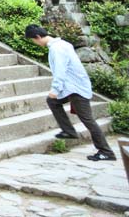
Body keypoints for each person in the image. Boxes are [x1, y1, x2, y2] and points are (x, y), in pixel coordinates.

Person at [24, 24, 115, 161]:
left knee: (88, 120)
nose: (35, 43)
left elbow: (60, 71)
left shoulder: (57, 49)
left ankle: (106, 151)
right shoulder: (62, 44)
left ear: (37, 37)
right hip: (73, 86)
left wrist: (55, 90)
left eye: (33, 40)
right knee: (53, 102)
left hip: (75, 88)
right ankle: (68, 131)